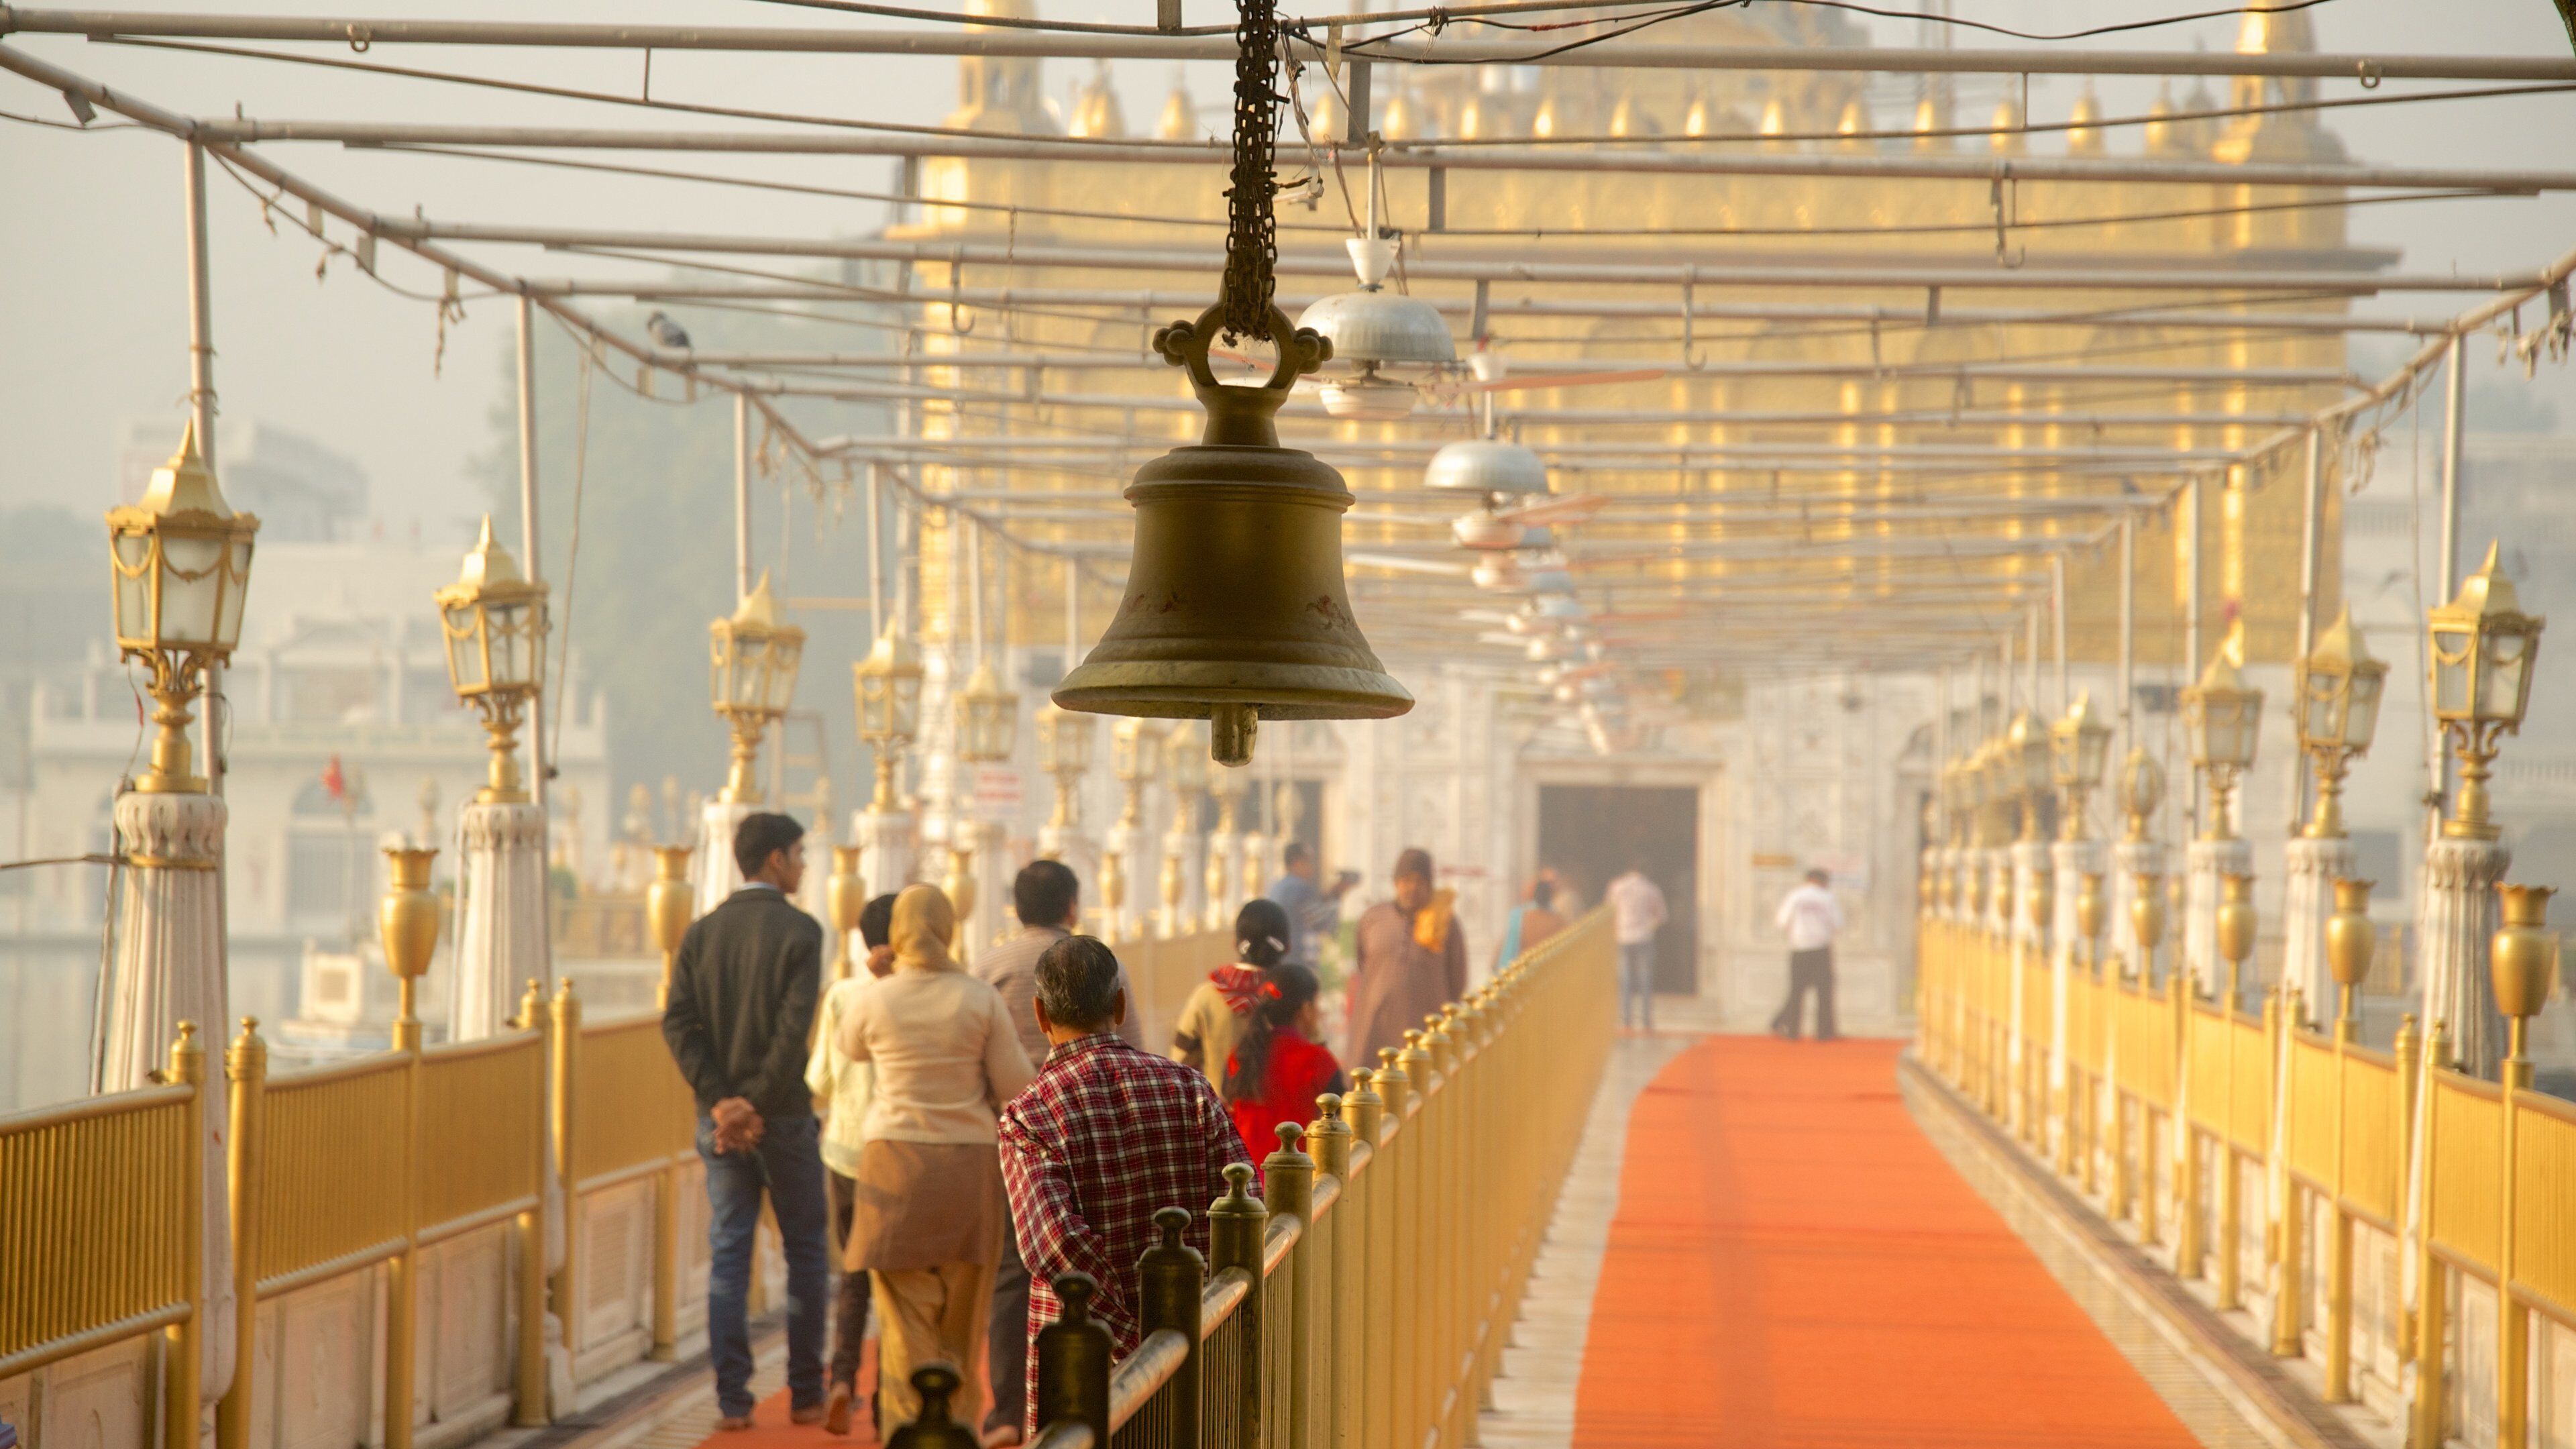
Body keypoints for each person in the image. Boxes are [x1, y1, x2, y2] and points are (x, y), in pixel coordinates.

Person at [996, 935, 1253, 1438]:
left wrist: (1129, 1337)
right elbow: (1245, 1206)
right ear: (1119, 1004)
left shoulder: (1030, 1117)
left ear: (1040, 1015)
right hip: (1195, 1353)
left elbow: (1053, 1246)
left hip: (1081, 1369)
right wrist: (1168, 1336)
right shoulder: (1189, 1090)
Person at [833, 885, 1035, 1431]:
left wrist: (883, 980)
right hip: (967, 1168)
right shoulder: (978, 998)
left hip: (893, 1168)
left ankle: (909, 1432)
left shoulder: (875, 998)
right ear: (948, 928)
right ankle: (959, 1431)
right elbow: (1017, 1083)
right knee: (964, 1324)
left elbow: (848, 1047)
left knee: (901, 1326)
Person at [661, 812, 832, 1432]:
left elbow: (678, 1023)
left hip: (723, 1127)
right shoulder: (801, 932)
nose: (805, 864)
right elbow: (792, 1036)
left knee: (730, 1253)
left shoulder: (702, 934)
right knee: (807, 1252)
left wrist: (721, 1103)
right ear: (776, 861)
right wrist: (753, 1103)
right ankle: (807, 1392)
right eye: (800, 853)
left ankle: (734, 1401)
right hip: (782, 1118)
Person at [970, 859, 1140, 1446]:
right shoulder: (1102, 966)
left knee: (1017, 1272)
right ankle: (1123, 1381)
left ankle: (1009, 1413)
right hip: (1101, 1124)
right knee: (1121, 1239)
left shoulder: (990, 966)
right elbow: (1132, 1048)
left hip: (1011, 1130)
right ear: (1071, 906)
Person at [804, 891, 898, 1436]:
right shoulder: (914, 995)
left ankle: (841, 1379)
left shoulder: (842, 994)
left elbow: (819, 1079)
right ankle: (889, 1398)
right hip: (900, 1155)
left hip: (844, 1152)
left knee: (855, 1272)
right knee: (900, 1283)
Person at [1348, 848, 1467, 1065]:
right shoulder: (1373, 919)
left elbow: (1457, 979)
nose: (1412, 888)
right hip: (1375, 1031)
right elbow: (1362, 964)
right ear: (1396, 883)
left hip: (1425, 1034)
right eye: (1406, 880)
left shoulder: (1445, 924)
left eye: (1420, 882)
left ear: (1430, 886)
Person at [1224, 962, 1346, 1161]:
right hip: (1296, 1181)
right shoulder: (1318, 1060)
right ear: (1306, 1009)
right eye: (1316, 1004)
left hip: (1244, 1183)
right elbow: (1344, 1121)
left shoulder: (1239, 1056)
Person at [1171, 899, 1291, 1089]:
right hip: (1286, 1118)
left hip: (1219, 1115)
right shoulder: (1293, 997)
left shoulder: (1205, 997)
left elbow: (1180, 1066)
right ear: (1288, 947)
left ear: (1236, 944)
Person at [1771, 867, 1845, 1042]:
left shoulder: (1795, 896)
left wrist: (1798, 932)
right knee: (1824, 992)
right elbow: (1838, 923)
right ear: (1821, 881)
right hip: (1820, 948)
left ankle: (1791, 1030)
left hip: (1799, 948)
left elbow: (1781, 921)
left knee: (1797, 991)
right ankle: (1824, 1032)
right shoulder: (1827, 898)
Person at [1265, 841, 1356, 969]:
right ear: (1298, 863)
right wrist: (1337, 896)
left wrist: (1327, 897)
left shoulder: (1277, 887)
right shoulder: (1299, 888)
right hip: (1298, 959)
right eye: (1308, 862)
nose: (1312, 868)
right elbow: (1323, 923)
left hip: (1279, 956)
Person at [1605, 859, 1670, 1032]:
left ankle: (1627, 1020)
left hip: (1622, 936)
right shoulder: (1651, 889)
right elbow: (1662, 916)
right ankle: (1647, 1020)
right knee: (1645, 979)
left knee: (1625, 979)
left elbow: (1609, 911)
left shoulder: (1617, 887)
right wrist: (1649, 926)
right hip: (1644, 937)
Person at [1494, 877, 1568, 972]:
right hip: (1548, 971)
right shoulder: (1558, 919)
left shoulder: (1521, 916)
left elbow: (1510, 950)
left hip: (1526, 971)